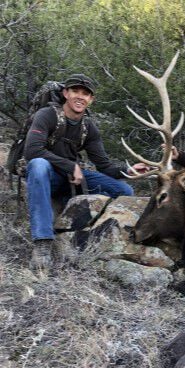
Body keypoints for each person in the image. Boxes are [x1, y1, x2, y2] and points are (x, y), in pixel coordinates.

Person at [24, 73, 139, 271]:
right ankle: (42, 243)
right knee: (38, 165)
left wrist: (129, 170)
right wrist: (70, 166)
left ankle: (85, 235)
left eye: (85, 94)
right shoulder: (47, 115)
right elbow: (32, 150)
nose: (80, 97)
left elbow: (104, 166)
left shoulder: (89, 127)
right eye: (75, 91)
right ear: (65, 93)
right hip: (47, 177)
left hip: (71, 180)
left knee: (125, 191)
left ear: (91, 99)